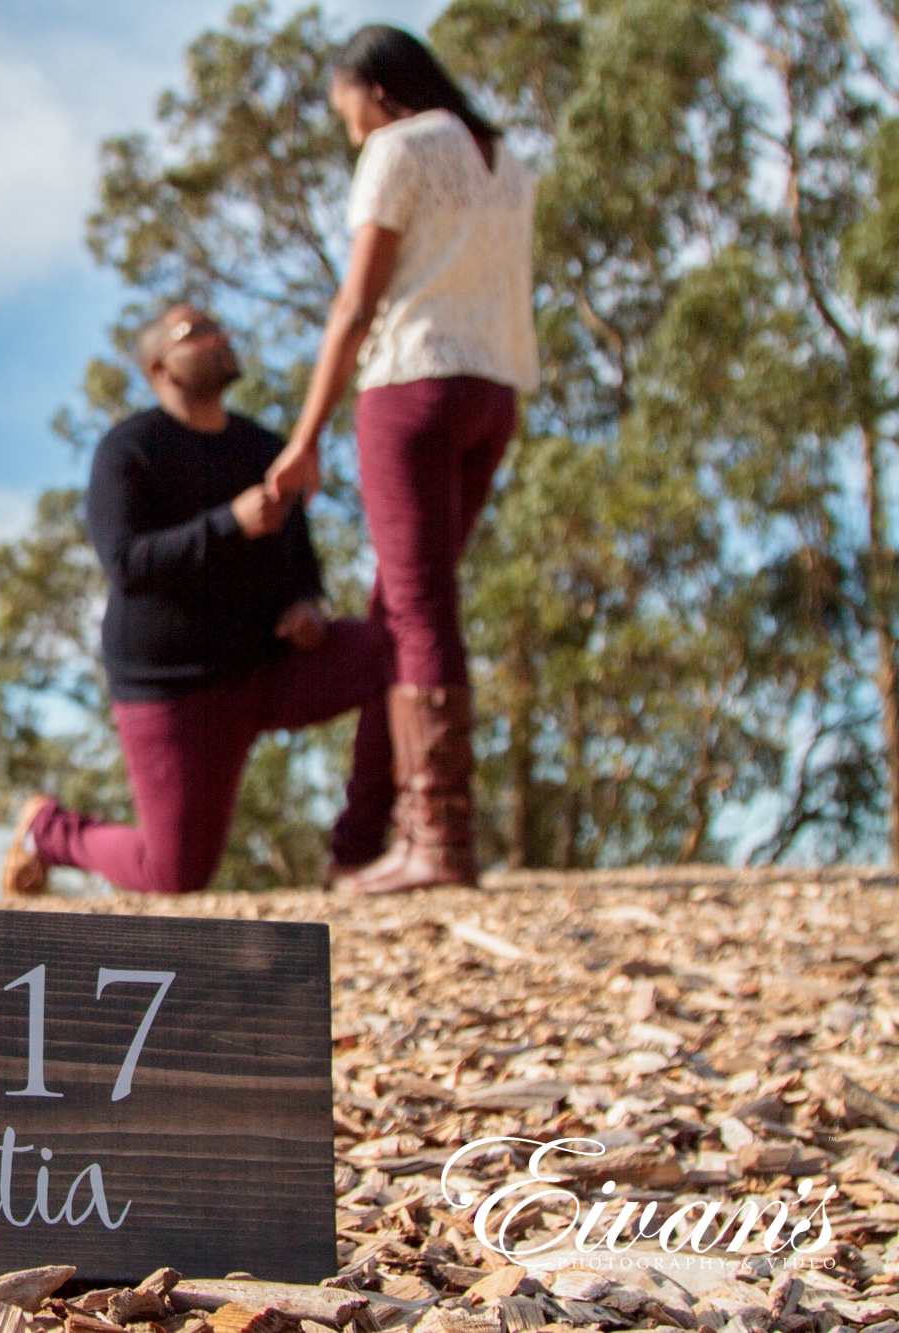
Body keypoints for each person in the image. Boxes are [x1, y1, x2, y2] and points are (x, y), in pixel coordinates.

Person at [263, 25, 539, 896]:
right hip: (493, 393)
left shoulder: (396, 147)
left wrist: (305, 436)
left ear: (376, 90)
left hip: (411, 390)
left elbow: (355, 304)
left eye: (346, 108)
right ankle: (362, 837)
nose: (349, 128)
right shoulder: (509, 160)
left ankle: (439, 842)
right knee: (402, 611)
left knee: (416, 610)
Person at [0, 303, 395, 898]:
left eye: (218, 327)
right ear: (159, 367)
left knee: (392, 657)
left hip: (266, 669)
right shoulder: (128, 450)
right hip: (174, 687)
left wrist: (307, 604)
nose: (218, 338)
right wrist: (231, 523)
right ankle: (50, 831)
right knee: (176, 875)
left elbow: (301, 560)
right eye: (196, 333)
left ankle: (357, 854)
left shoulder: (265, 448)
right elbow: (127, 564)